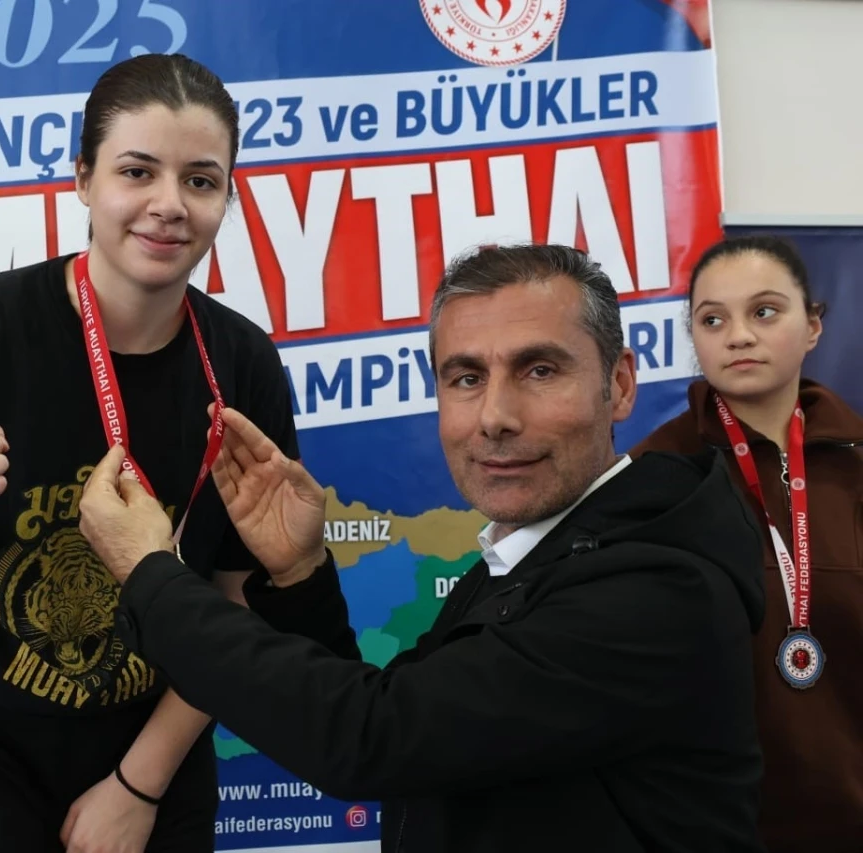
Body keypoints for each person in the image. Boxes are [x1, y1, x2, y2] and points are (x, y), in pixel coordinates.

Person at [77, 243, 769, 852]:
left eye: (538, 370)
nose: (495, 417)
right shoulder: (545, 550)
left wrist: (150, 575)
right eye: (466, 378)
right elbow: (415, 727)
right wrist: (299, 574)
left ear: (618, 384)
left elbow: (373, 738)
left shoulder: (657, 587)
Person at [0, 53, 299, 852]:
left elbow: (235, 604)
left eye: (200, 180)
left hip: (153, 751)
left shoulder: (242, 365)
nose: (167, 205)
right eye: (136, 171)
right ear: (83, 178)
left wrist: (139, 782)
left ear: (227, 197)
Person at [632, 235, 863, 852]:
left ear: (812, 326)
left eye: (764, 311)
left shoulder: (857, 463)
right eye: (713, 320)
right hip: (707, 828)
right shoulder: (653, 475)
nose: (738, 336)